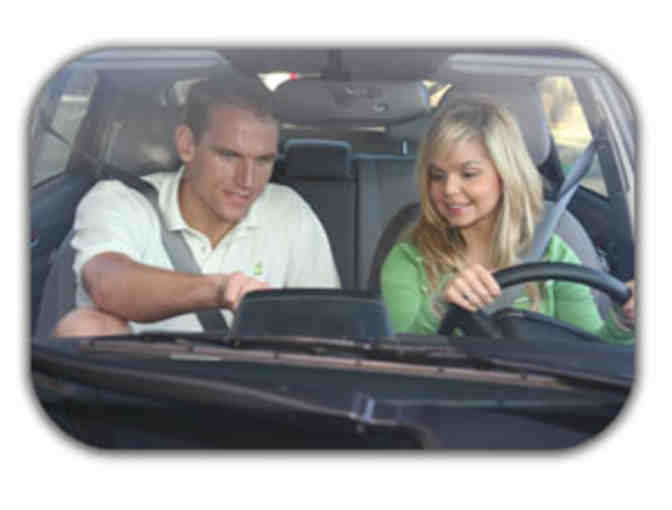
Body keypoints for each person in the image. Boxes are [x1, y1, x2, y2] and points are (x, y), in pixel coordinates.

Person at [52, 77, 340, 337]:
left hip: (253, 377)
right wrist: (218, 289)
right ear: (187, 144)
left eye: (264, 160)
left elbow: (325, 325)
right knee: (84, 326)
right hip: (140, 375)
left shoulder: (288, 211)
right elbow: (106, 283)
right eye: (229, 156)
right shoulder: (121, 200)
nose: (247, 181)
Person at [380, 95, 635, 344]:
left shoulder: (552, 253)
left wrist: (623, 324)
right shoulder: (409, 259)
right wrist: (439, 309)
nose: (449, 189)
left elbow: (590, 352)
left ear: (505, 175)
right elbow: (397, 354)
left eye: (468, 174)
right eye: (437, 175)